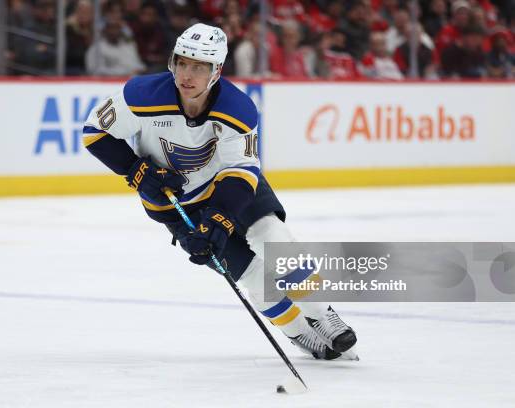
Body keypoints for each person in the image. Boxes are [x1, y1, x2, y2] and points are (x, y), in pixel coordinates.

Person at [82, 23, 358, 360]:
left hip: (230, 188)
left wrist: (220, 219)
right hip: (176, 205)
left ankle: (320, 312)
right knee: (251, 274)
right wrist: (136, 170)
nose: (187, 74)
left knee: (273, 237)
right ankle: (300, 334)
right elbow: (94, 131)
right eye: (182, 62)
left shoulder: (237, 108)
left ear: (216, 71)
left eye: (199, 67)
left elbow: (240, 173)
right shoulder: (140, 95)